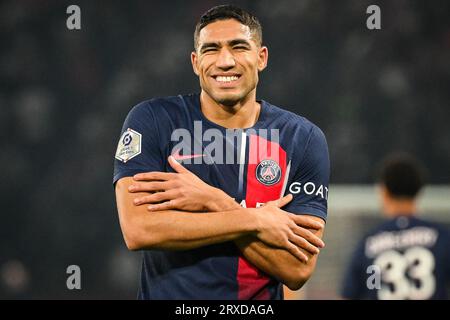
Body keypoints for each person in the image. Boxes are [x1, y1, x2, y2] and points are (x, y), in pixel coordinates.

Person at [113, 4, 330, 300]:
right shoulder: (153, 120)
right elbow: (139, 230)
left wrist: (213, 200)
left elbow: (297, 271)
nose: (225, 61)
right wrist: (256, 219)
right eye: (211, 49)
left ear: (261, 57)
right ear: (195, 62)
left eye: (239, 47)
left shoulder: (302, 139)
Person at [341, 153, 450, 300]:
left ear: (384, 191)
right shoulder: (442, 237)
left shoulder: (368, 243)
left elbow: (349, 295)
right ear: (419, 190)